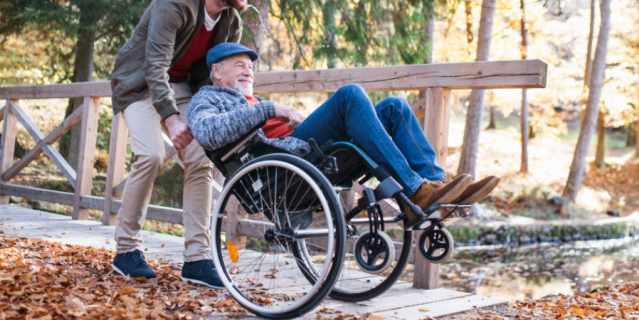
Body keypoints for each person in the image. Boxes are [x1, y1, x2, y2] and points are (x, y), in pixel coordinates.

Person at [187, 43, 500, 221]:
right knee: (350, 95)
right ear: (216, 71)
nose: (248, 71)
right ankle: (417, 191)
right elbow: (208, 132)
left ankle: (436, 185)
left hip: (299, 150)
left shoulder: (254, 99)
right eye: (239, 65)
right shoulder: (207, 99)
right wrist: (269, 110)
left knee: (394, 107)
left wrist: (269, 110)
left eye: (251, 67)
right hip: (282, 169)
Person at [108, 0, 257, 289]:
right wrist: (172, 119)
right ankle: (125, 250)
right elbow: (154, 66)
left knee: (201, 158)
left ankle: (197, 259)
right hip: (140, 84)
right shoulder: (174, 4)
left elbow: (216, 77)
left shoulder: (231, 21)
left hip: (181, 88)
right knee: (151, 154)